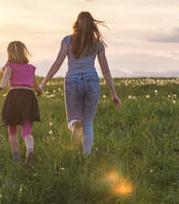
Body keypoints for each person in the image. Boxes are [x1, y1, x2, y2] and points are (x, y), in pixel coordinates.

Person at [40, 11, 121, 155]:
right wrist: (113, 94)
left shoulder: (67, 40)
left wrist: (43, 84)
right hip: (92, 81)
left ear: (76, 24)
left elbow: (58, 63)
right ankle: (85, 158)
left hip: (72, 81)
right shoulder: (98, 44)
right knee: (88, 124)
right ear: (92, 26)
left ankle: (74, 124)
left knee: (72, 120)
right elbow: (106, 71)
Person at [0, 41, 42, 166]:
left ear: (10, 52)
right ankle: (30, 150)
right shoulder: (30, 68)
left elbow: (6, 75)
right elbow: (36, 85)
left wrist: (2, 86)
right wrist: (39, 92)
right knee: (27, 131)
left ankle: (16, 159)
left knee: (12, 129)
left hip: (14, 96)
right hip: (28, 96)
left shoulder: (9, 65)